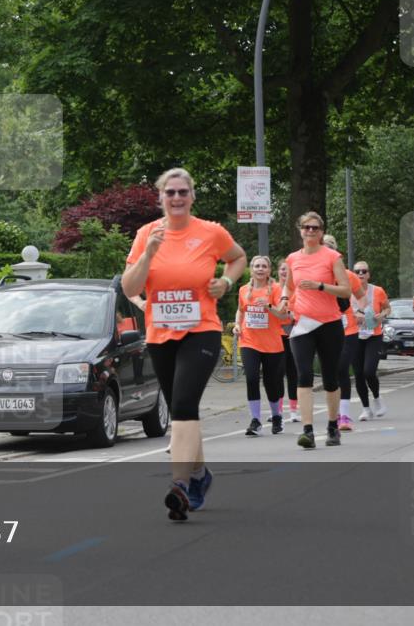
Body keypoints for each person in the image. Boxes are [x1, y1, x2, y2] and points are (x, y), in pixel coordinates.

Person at [122, 167, 246, 521]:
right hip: (161, 332)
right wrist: (148, 254)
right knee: (181, 410)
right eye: (170, 193)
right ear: (160, 198)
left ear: (192, 197)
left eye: (183, 192)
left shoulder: (210, 232)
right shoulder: (147, 234)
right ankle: (199, 475)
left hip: (201, 329)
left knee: (184, 403)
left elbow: (237, 257)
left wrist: (225, 280)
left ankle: (178, 483)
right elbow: (130, 288)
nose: (176, 198)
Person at [283, 212, 352, 450]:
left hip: (329, 324)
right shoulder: (293, 258)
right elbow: (289, 286)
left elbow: (345, 291)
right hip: (303, 324)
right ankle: (308, 431)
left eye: (315, 228)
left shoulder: (332, 257)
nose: (310, 231)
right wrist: (284, 298)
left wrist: (320, 286)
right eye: (306, 227)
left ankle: (333, 426)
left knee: (330, 377)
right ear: (300, 230)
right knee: (303, 375)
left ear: (321, 232)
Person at [232, 256, 289, 436]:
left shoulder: (277, 289)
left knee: (271, 383)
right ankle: (255, 420)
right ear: (251, 269)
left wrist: (269, 306)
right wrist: (236, 324)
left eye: (264, 266)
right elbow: (241, 311)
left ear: (269, 270)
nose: (260, 269)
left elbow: (283, 315)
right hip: (249, 341)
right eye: (257, 266)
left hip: (272, 344)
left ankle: (276, 415)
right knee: (251, 378)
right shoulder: (243, 290)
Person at [321, 235, 363, 431]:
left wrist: (361, 311)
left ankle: (344, 416)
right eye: (324, 247)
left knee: (342, 368)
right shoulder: (316, 276)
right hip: (325, 329)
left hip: (348, 329)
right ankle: (334, 414)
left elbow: (361, 297)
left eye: (330, 247)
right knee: (330, 372)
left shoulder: (348, 275)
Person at [352, 261, 391, 417]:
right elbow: (343, 313)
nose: (360, 274)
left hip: (373, 336)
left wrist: (382, 315)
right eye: (357, 271)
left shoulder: (378, 291)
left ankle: (376, 398)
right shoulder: (348, 293)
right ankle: (366, 409)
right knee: (358, 374)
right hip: (354, 336)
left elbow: (387, 308)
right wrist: (357, 316)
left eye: (364, 271)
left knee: (369, 371)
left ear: (368, 274)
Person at [276, 258, 300, 422]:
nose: (285, 272)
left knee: (293, 373)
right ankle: (276, 410)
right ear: (277, 271)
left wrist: (293, 315)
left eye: (288, 269)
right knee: (277, 374)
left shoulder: (296, 289)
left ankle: (293, 411)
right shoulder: (272, 289)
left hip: (294, 333)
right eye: (282, 269)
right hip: (276, 335)